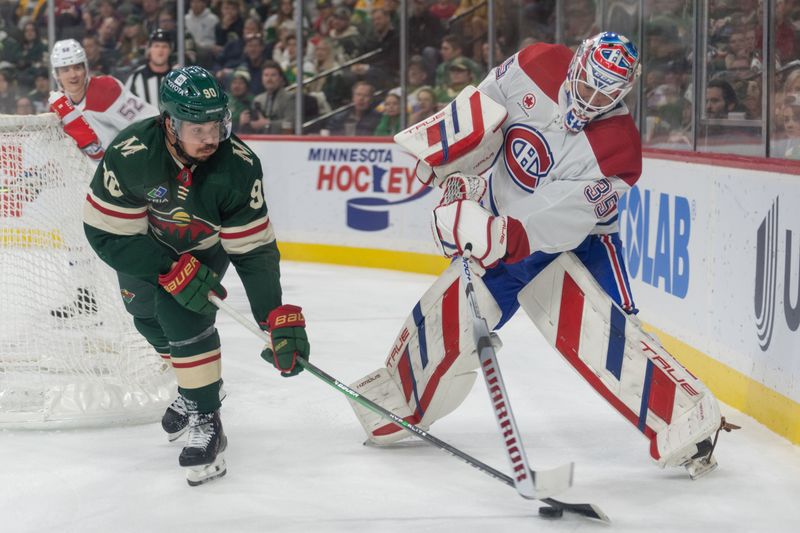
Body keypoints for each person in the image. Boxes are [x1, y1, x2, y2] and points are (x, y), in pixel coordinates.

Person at [348, 32, 726, 480]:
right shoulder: (536, 62)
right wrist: (448, 161)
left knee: (608, 329)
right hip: (507, 219)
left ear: (622, 93)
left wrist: (498, 231)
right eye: (587, 85)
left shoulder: (618, 148)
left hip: (581, 237)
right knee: (462, 310)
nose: (590, 99)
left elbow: (562, 213)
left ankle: (691, 423)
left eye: (605, 94)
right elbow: (483, 110)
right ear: (577, 64)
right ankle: (399, 395)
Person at [81, 65, 311, 486]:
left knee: (182, 317)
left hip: (205, 251)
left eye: (217, 125)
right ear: (169, 123)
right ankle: (193, 390)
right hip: (145, 250)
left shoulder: (238, 168)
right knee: (146, 318)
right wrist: (166, 266)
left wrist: (272, 317)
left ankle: (206, 415)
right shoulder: (132, 154)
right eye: (197, 127)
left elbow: (254, 250)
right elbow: (105, 231)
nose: (210, 138)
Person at [125, 28, 174, 108]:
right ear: (149, 49)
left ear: (170, 50)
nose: (160, 51)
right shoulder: (136, 76)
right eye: (156, 46)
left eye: (164, 46)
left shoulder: (177, 77)